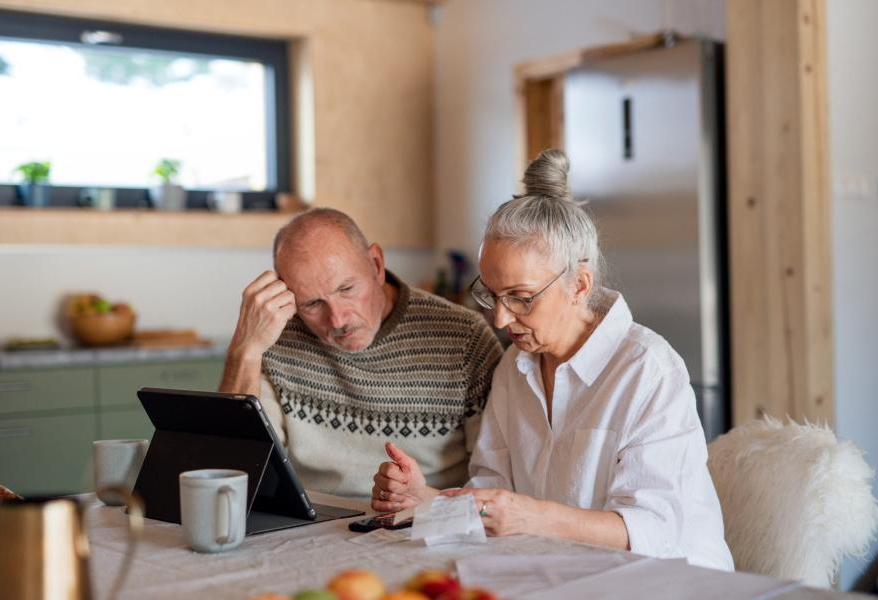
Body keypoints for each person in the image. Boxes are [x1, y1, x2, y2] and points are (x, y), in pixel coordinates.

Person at [370, 150, 734, 571]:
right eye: (490, 294)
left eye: (522, 298)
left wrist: (532, 517)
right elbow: (493, 499)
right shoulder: (515, 368)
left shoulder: (647, 370)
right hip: (565, 573)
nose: (502, 319)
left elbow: (654, 531)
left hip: (673, 583)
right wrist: (425, 500)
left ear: (579, 285)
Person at [219, 208, 503, 498]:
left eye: (346, 289)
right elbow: (234, 470)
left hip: (427, 524)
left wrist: (427, 500)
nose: (338, 320)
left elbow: (497, 485)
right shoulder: (276, 336)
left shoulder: (465, 337)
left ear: (376, 265)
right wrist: (245, 350)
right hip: (310, 528)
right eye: (313, 304)